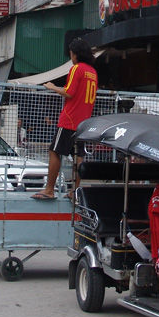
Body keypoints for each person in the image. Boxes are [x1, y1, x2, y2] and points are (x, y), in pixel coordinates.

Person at [32, 37, 98, 200]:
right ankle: (75, 191)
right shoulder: (93, 72)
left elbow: (69, 92)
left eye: (71, 53)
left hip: (70, 118)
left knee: (54, 151)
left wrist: (52, 86)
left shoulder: (77, 69)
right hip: (84, 121)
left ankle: (49, 189)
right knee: (78, 156)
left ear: (75, 54)